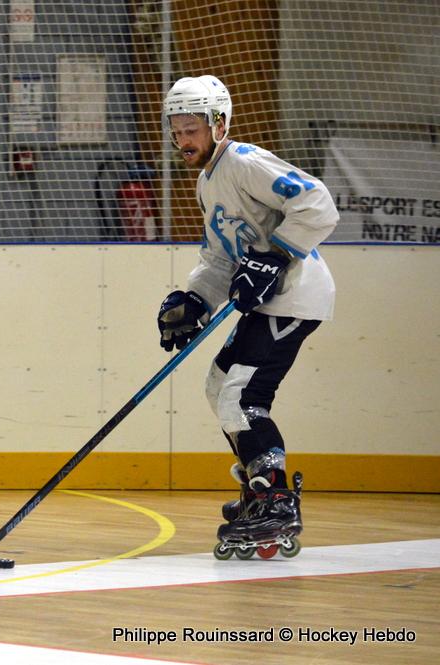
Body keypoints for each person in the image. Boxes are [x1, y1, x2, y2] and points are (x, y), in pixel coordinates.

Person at [156, 75, 338, 557]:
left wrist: (276, 256)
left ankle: (276, 497)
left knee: (242, 394)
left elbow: (317, 202)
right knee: (219, 387)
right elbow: (220, 260)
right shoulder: (207, 181)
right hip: (270, 298)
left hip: (295, 295)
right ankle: (259, 488)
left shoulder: (243, 162)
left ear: (220, 123)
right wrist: (193, 300)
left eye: (191, 127)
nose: (182, 139)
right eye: (176, 129)